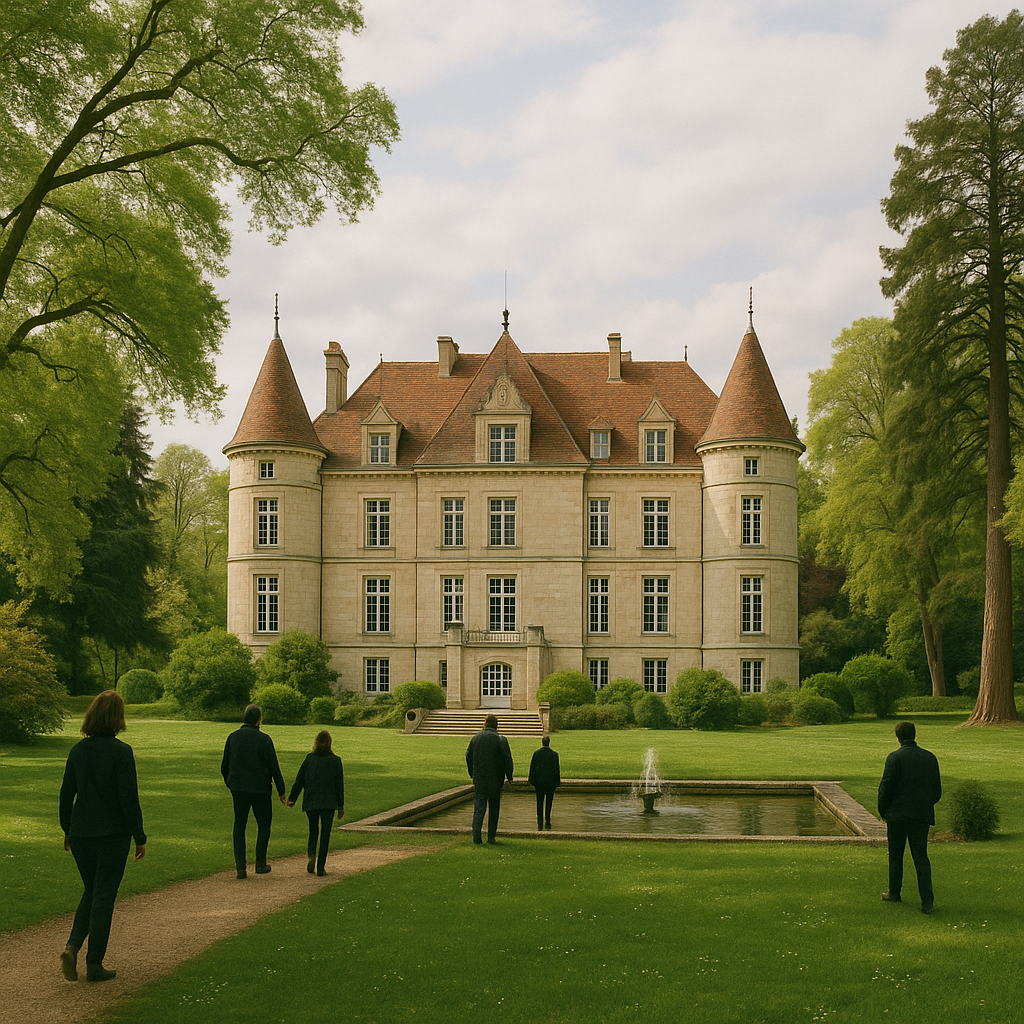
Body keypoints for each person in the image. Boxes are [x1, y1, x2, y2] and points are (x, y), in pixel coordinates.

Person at [59, 690, 147, 983]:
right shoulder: (122, 752)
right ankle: (93, 963)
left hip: (82, 832)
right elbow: (128, 799)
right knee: (103, 896)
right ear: (117, 718)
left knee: (92, 890)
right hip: (112, 834)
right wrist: (139, 835)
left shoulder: (77, 752)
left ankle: (72, 947)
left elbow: (66, 796)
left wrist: (67, 830)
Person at [878, 720, 942, 914]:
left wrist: (884, 811)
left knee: (896, 856)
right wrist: (924, 805)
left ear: (897, 738)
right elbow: (936, 791)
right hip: (920, 815)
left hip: (897, 815)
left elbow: (886, 787)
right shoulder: (929, 758)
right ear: (915, 735)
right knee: (921, 858)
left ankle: (894, 892)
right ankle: (927, 902)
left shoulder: (894, 758)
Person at [221, 704, 286, 879]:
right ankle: (260, 863)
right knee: (264, 825)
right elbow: (274, 767)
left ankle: (240, 867)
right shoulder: (264, 739)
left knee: (239, 825)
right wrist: (281, 790)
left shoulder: (233, 737)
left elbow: (224, 766)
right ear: (259, 720)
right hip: (260, 789)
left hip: (239, 788)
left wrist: (231, 783)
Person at [288, 730, 345, 876]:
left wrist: (293, 798)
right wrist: (340, 806)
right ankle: (321, 866)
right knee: (325, 833)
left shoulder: (310, 759)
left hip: (311, 800)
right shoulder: (335, 760)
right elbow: (339, 785)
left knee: (313, 831)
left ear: (316, 742)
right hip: (328, 802)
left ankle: (311, 855)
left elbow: (300, 779)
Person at [465, 713, 514, 844]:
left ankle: (476, 837)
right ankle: (491, 837)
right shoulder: (500, 739)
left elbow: (468, 757)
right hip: (495, 779)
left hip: (480, 779)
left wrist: (472, 774)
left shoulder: (475, 738)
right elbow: (507, 759)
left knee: (479, 808)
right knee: (494, 808)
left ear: (485, 724)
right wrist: (509, 776)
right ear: (496, 725)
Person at [528, 735, 561, 829]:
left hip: (539, 782)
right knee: (549, 801)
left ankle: (540, 818)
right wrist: (557, 782)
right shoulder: (554, 754)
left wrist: (531, 780)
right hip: (550, 782)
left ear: (542, 742)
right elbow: (556, 769)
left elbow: (532, 767)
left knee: (539, 800)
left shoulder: (537, 753)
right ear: (549, 742)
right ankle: (547, 818)